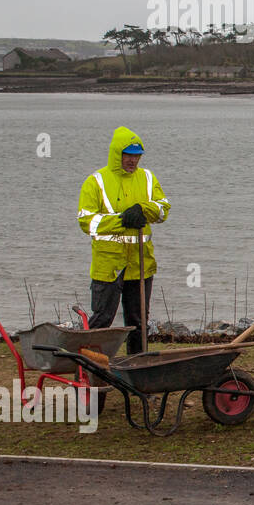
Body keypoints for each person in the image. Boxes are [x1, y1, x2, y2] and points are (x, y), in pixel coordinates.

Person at [77, 126, 172, 355]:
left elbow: (163, 210)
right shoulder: (96, 181)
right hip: (108, 266)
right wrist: (122, 220)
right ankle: (93, 377)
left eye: (137, 155)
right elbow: (86, 221)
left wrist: (143, 209)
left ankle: (137, 376)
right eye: (128, 155)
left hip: (141, 265)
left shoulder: (147, 178)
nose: (133, 160)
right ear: (117, 154)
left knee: (138, 323)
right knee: (102, 321)